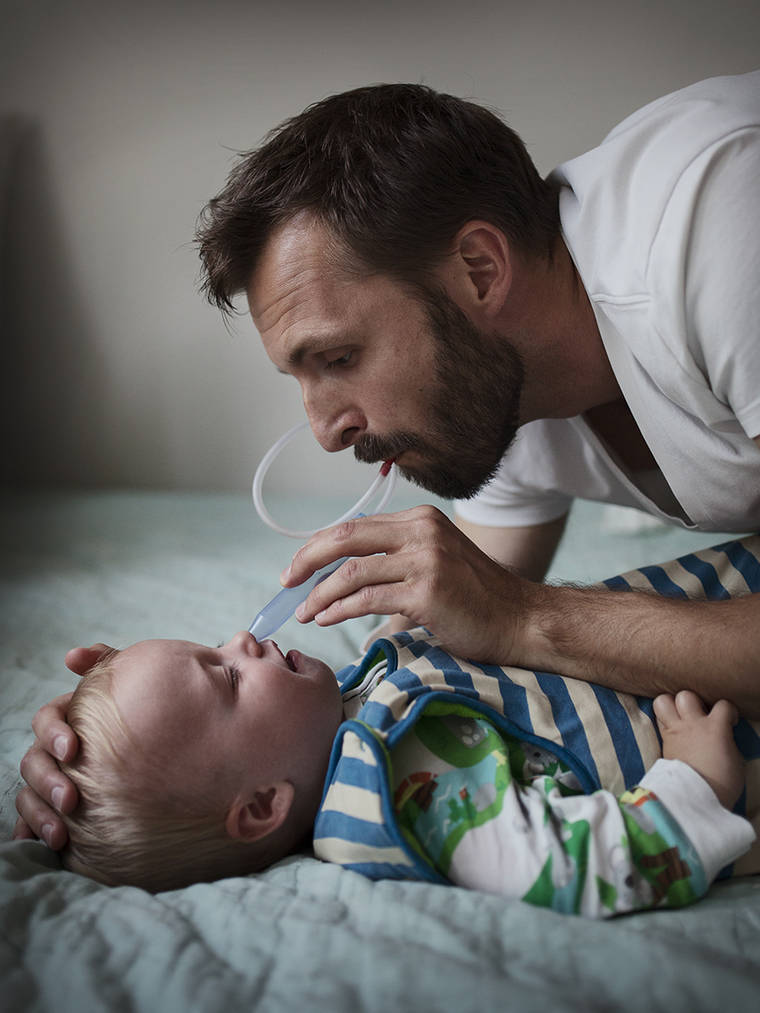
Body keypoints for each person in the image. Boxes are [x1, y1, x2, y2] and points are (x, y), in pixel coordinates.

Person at [14, 72, 760, 845]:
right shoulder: (498, 394)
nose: (326, 430)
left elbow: (506, 614)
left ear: (479, 270)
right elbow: (440, 637)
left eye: (337, 356)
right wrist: (126, 756)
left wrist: (523, 613)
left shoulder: (723, 231)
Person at [51, 626, 756, 915]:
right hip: (720, 735)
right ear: (265, 804)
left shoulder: (357, 703)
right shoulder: (405, 804)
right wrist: (695, 784)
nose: (240, 638)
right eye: (228, 678)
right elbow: (573, 866)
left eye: (212, 645)